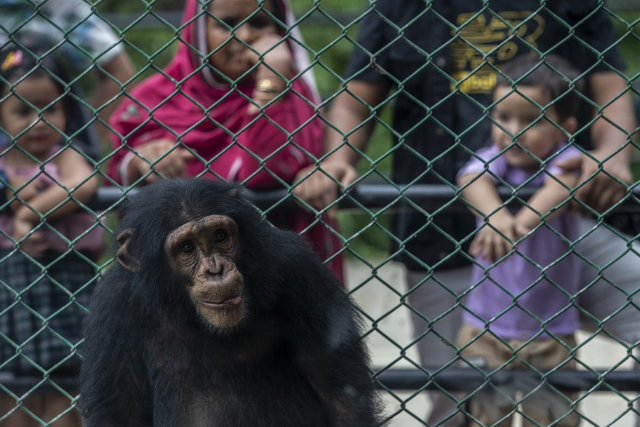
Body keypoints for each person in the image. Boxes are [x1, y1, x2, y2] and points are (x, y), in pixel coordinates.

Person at [293, 1, 639, 425]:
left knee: (551, 400)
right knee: (456, 402)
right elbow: (357, 96)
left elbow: (610, 85)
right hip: (444, 230)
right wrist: (337, 158)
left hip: (565, 226)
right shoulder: (399, 6)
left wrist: (613, 153)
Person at [106, 0, 343, 280]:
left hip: (279, 274)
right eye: (227, 24)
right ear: (198, 31)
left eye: (259, 23)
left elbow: (263, 172)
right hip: (187, 281)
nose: (244, 36)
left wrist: (271, 82)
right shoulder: (155, 98)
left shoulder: (296, 97)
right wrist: (142, 160)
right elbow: (115, 172)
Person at [456, 55, 584, 427]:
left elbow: (565, 185)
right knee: (483, 418)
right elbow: (470, 179)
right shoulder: (494, 159)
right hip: (485, 329)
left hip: (551, 332)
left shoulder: (565, 159)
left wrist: (518, 224)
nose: (513, 131)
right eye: (503, 117)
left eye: (532, 120)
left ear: (565, 128)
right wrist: (496, 218)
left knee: (551, 419)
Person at [0, 47, 104, 427]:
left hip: (64, 284)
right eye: (23, 112)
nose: (39, 122)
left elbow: (85, 182)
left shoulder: (65, 156)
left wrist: (27, 212)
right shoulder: (3, 165)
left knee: (63, 391)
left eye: (50, 108)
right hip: (10, 291)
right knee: (12, 393)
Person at [0, 0, 136, 150]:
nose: (37, 123)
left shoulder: (59, 4)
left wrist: (83, 150)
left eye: (50, 109)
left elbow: (119, 72)